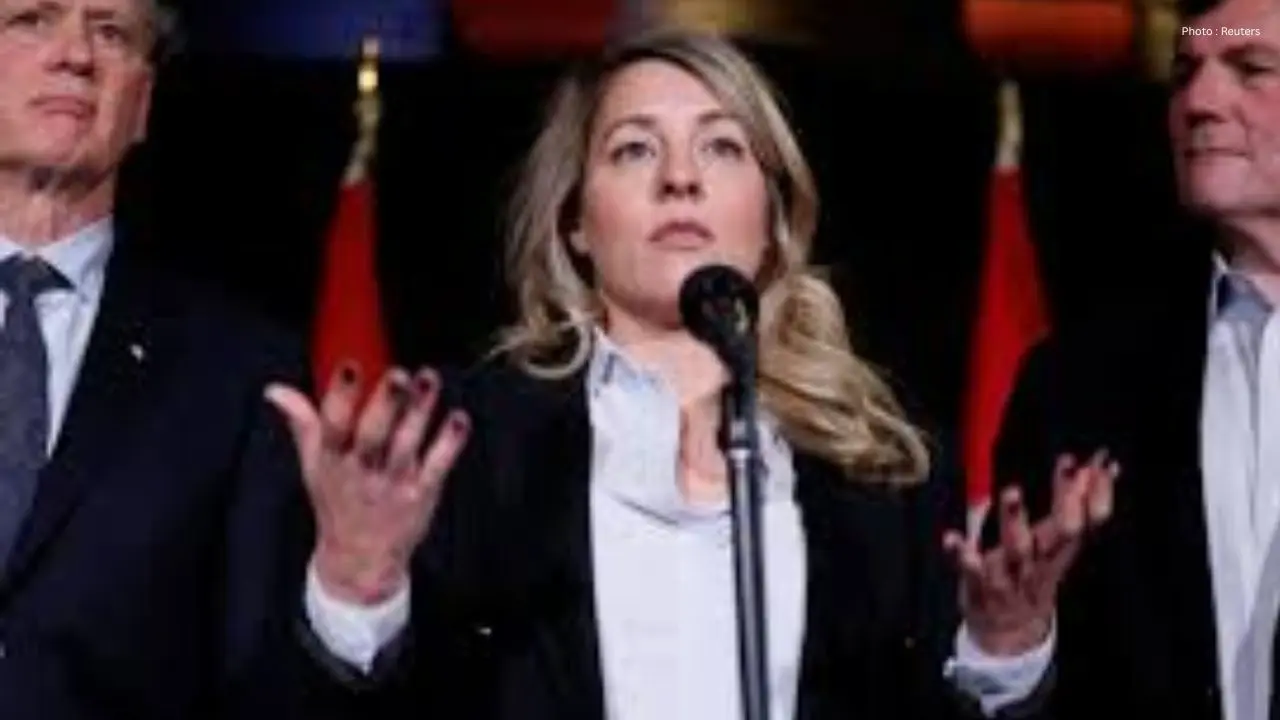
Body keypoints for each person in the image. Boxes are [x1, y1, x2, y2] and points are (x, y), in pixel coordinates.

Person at [268, 28, 1115, 719]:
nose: (680, 178)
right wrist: (357, 582)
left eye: (721, 147)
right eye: (635, 149)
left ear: (774, 220)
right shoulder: (467, 451)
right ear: (576, 222)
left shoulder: (887, 479)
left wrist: (1004, 648)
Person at [0, 0, 328, 716]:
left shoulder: (240, 374)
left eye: (111, 32)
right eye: (32, 20)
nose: (75, 55)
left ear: (142, 101)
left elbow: (263, 678)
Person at [989, 0, 1280, 717]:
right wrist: (1011, 648)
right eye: (1184, 74)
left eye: (1250, 68)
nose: (1199, 103)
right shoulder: (1076, 387)